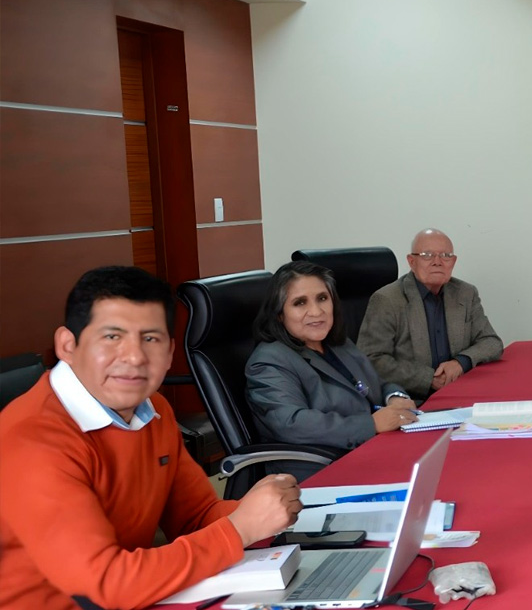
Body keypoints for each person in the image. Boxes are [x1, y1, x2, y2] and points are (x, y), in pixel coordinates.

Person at [0, 266, 302, 610]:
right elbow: (107, 584)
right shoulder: (32, 438)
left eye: (150, 338)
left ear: (171, 351)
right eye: (112, 337)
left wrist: (267, 514)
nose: (135, 357)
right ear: (68, 345)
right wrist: (239, 529)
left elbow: (196, 517)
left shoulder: (152, 408)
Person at [246, 261, 418, 481]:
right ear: (280, 314)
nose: (317, 311)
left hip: (371, 451)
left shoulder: (338, 344)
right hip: (321, 469)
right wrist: (371, 424)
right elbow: (291, 423)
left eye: (322, 298)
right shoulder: (269, 361)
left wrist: (395, 397)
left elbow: (377, 384)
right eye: (300, 303)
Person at [359, 228, 503, 399]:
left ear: (453, 261)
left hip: (462, 393)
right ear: (411, 261)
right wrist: (428, 379)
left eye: (446, 256)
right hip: (414, 400)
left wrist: (460, 363)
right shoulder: (387, 300)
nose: (437, 262)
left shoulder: (466, 293)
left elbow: (491, 342)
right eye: (427, 255)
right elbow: (371, 360)